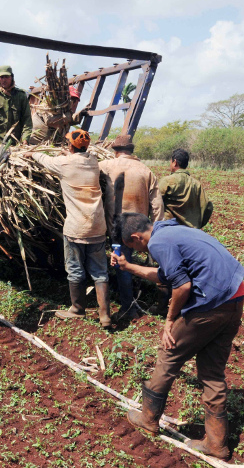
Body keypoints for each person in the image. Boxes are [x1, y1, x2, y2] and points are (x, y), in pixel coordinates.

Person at [111, 212, 244, 460]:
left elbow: (182, 286)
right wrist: (128, 266)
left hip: (211, 303)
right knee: (211, 372)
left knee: (169, 354)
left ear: (135, 236)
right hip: (234, 299)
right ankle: (217, 444)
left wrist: (170, 320)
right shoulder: (174, 231)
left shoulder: (158, 242)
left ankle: (148, 418)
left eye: (134, 247)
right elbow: (166, 277)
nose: (141, 251)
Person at [24, 129, 112, 328]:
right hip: (98, 226)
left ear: (70, 146)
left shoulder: (64, 164)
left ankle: (77, 309)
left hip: (76, 228)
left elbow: (44, 160)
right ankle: (105, 315)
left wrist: (31, 153)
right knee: (100, 272)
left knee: (74, 269)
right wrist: (70, 155)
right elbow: (79, 159)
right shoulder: (94, 162)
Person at [99, 134, 164, 320]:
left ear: (115, 151)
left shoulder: (107, 166)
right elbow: (157, 205)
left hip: (117, 228)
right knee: (135, 261)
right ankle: (158, 297)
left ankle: (128, 307)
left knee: (122, 264)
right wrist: (157, 230)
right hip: (141, 229)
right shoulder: (146, 170)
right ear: (131, 151)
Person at [159, 148, 213, 229]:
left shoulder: (167, 181)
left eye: (170, 161)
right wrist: (198, 225)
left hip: (169, 229)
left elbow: (155, 203)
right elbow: (208, 207)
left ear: (175, 162)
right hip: (191, 231)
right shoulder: (197, 184)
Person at [0, 65, 32, 146]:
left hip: (16, 143)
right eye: (2, 77)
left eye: (7, 77)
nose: (4, 80)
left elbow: (27, 120)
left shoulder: (21, 96)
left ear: (11, 77)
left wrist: (25, 139)